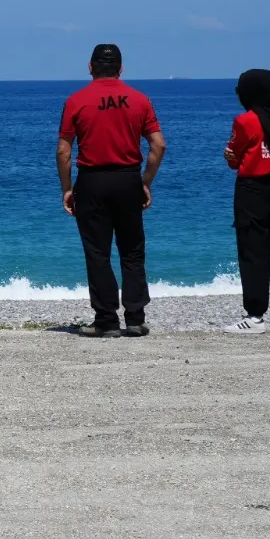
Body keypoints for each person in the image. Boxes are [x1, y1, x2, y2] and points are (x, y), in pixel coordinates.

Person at [57, 43, 166, 337]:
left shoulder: (76, 101)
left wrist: (67, 188)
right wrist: (145, 182)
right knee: (132, 251)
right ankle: (135, 318)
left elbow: (64, 152)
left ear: (90, 67)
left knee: (97, 252)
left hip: (92, 181)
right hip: (128, 178)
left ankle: (106, 320)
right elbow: (158, 144)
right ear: (121, 69)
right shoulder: (140, 100)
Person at [223, 68, 270, 334]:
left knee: (252, 250)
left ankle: (255, 316)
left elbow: (235, 159)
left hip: (251, 189)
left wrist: (229, 155)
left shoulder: (245, 121)